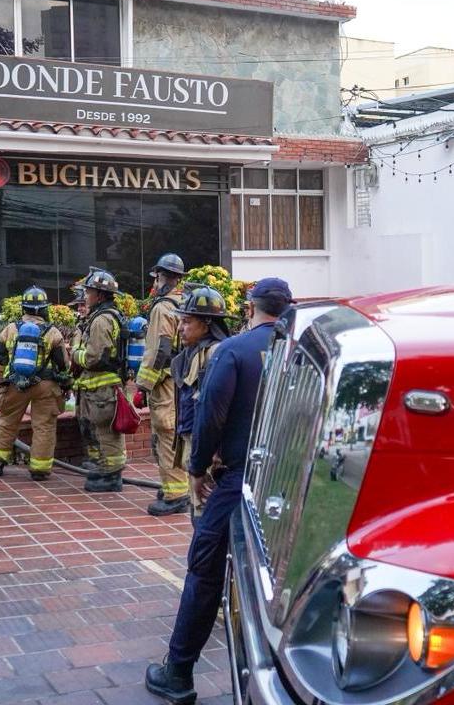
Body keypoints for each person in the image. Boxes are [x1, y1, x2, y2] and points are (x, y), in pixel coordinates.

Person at [145, 277, 293, 705]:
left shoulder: (235, 351)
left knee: (205, 568)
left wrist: (195, 469)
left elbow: (210, 415)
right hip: (288, 483)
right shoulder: (300, 351)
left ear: (251, 307)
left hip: (238, 479)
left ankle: (178, 674)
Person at [0, 286, 71, 481]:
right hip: (45, 386)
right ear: (43, 309)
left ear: (23, 308)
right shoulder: (53, 333)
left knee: (7, 421)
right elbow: (62, 364)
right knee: (44, 426)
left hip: (15, 384)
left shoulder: (11, 329)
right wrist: (65, 384)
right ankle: (39, 469)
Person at [169, 286, 230, 518]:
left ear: (206, 324)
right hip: (193, 444)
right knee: (197, 510)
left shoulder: (216, 353)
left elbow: (216, 410)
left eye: (186, 322)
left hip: (208, 451)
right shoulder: (192, 353)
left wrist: (211, 456)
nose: (180, 328)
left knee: (204, 512)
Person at [135, 253, 188, 515]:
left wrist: (143, 385)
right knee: (178, 432)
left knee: (166, 434)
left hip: (166, 382)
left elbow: (159, 349)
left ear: (161, 277)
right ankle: (179, 484)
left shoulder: (162, 308)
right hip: (184, 381)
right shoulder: (183, 303)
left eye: (156, 278)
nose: (154, 284)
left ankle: (175, 493)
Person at [71, 268, 128, 493]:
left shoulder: (101, 321)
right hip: (103, 388)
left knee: (107, 433)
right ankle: (109, 471)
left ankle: (111, 477)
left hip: (103, 389)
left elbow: (95, 357)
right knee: (106, 432)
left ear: (100, 295)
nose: (86, 295)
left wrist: (75, 354)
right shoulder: (106, 316)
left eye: (89, 291)